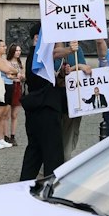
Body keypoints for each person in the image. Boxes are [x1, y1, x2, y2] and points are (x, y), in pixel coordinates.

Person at [19, 29, 78, 180]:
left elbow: (49, 81)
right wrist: (69, 49)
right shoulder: (38, 54)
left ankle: (25, 184)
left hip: (43, 108)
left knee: (35, 152)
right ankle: (51, 186)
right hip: (45, 109)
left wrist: (62, 74)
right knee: (52, 153)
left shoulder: (39, 57)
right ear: (38, 38)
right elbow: (53, 54)